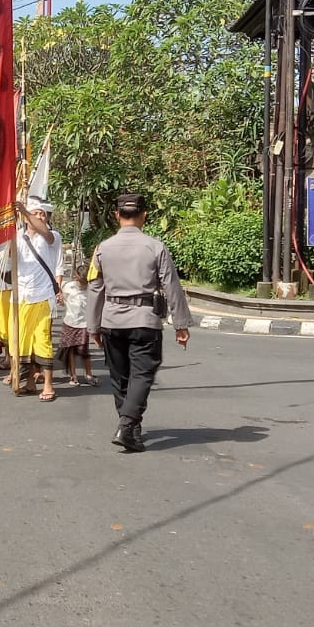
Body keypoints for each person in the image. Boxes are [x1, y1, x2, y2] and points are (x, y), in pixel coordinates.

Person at [87, 192, 192, 453]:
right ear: (144, 214)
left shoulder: (102, 248)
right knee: (142, 375)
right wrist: (180, 324)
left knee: (120, 377)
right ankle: (127, 424)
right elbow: (171, 286)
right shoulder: (155, 247)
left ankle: (131, 429)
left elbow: (94, 288)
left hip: (111, 319)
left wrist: (93, 326)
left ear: (116, 215)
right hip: (144, 320)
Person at [12, 196, 63, 401]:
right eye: (36, 213)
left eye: (42, 214)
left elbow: (46, 234)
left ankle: (48, 385)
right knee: (25, 341)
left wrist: (24, 211)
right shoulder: (16, 236)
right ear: (25, 219)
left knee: (43, 340)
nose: (40, 216)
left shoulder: (52, 237)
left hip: (43, 296)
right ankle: (29, 382)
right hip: (22, 297)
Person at [59, 248, 95, 386]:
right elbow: (62, 297)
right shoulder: (68, 286)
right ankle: (73, 375)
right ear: (76, 277)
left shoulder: (91, 290)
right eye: (81, 281)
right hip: (69, 322)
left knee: (83, 350)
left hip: (84, 324)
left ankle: (89, 374)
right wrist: (61, 299)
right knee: (71, 350)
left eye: (85, 282)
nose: (82, 284)